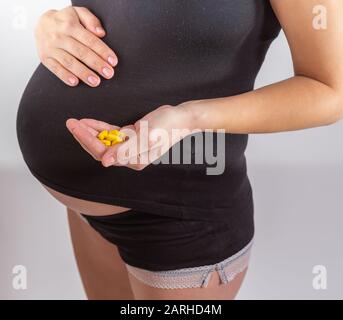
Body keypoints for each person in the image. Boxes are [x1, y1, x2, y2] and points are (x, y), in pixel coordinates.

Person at [16, 1, 343, 299]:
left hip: (179, 219)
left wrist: (189, 118)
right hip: (90, 202)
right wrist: (52, 24)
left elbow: (330, 90)